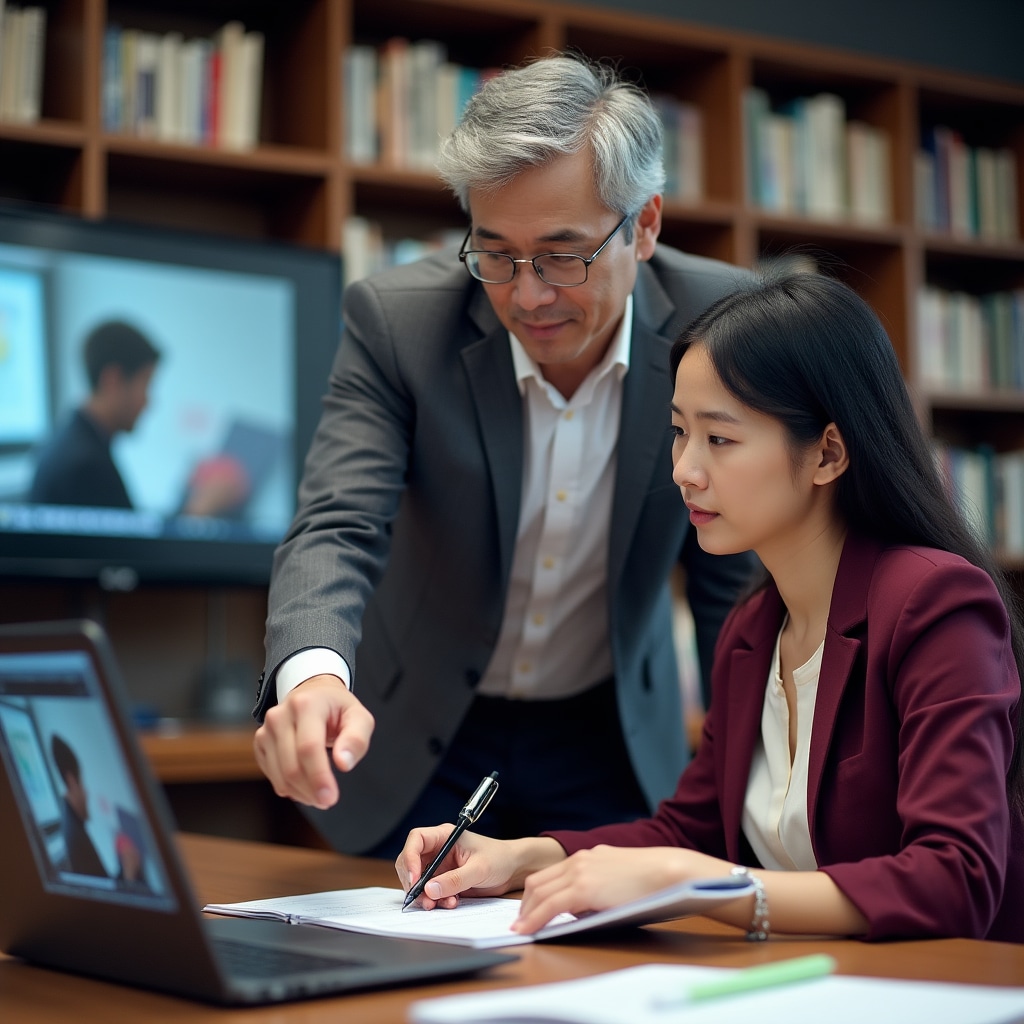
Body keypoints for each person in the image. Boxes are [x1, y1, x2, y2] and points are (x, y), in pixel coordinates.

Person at [395, 270, 1024, 943]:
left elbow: (956, 878)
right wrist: (520, 856)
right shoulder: (754, 630)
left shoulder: (934, 605)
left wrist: (703, 885)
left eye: (719, 440)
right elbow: (687, 832)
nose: (684, 470)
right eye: (678, 433)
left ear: (828, 453)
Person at [251, 52, 755, 858]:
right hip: (422, 733)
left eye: (563, 255)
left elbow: (737, 574)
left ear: (647, 224)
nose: (527, 294)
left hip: (612, 734)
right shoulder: (399, 323)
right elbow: (337, 524)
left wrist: (747, 760)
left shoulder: (726, 326)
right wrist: (311, 677)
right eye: (495, 253)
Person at [29, 320, 160, 509]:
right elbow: (123, 537)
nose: (148, 402)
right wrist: (195, 514)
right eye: (146, 384)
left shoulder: (70, 441)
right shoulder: (85, 467)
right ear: (112, 380)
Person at [50, 734, 144, 885]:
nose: (87, 794)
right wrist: (129, 875)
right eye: (83, 784)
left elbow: (102, 884)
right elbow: (107, 903)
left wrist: (123, 867)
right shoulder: (76, 838)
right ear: (72, 781)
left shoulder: (72, 825)